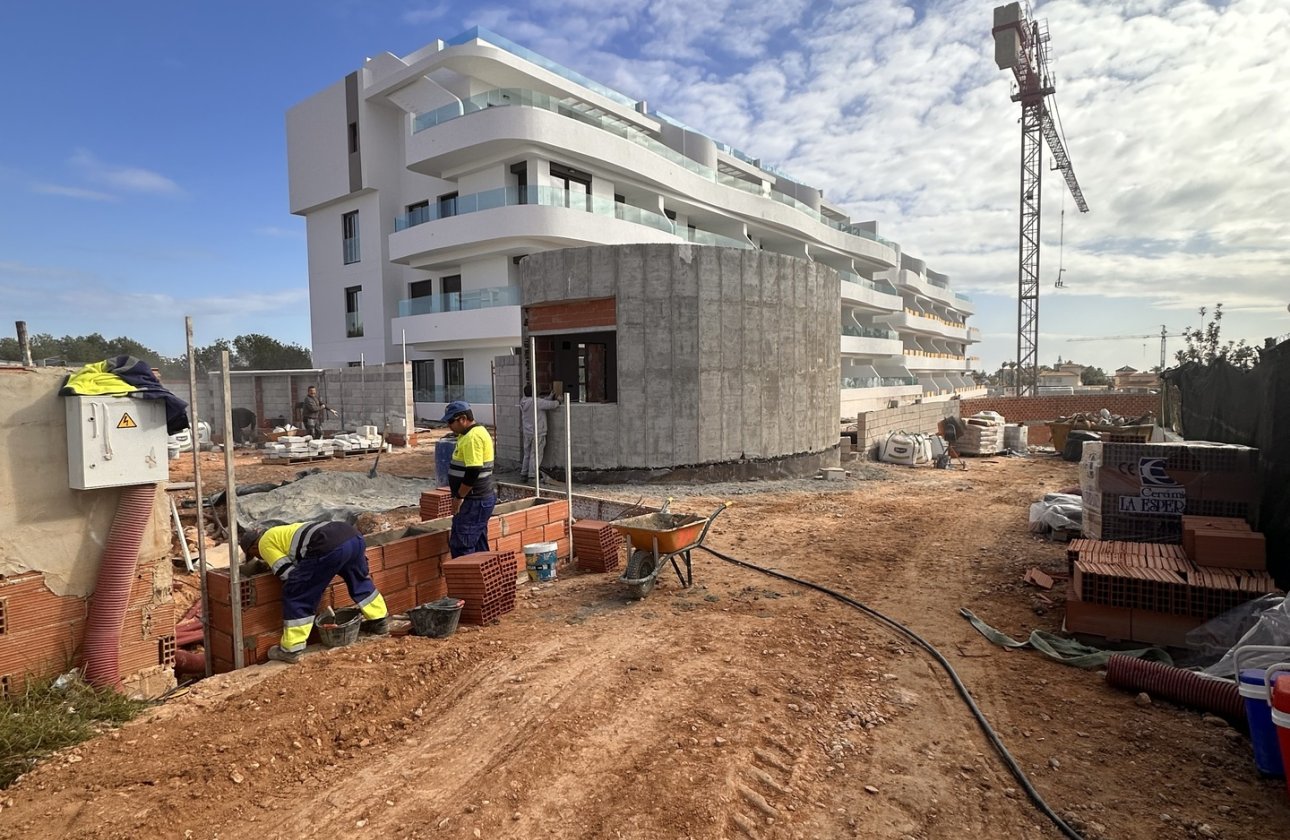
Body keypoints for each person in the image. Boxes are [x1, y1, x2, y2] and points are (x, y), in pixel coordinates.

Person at [239, 520, 388, 663]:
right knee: (359, 580)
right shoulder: (280, 532)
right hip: (353, 537)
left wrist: (309, 585)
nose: (259, 558)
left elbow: (288, 574)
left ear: (253, 547)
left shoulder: (264, 543)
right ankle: (379, 622)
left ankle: (291, 649)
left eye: (255, 555)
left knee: (296, 592)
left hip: (329, 545)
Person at [441, 400, 496, 557]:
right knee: (478, 544)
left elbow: (473, 471)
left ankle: (466, 581)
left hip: (474, 501)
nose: (448, 426)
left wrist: (459, 497)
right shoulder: (468, 434)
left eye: (450, 421)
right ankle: (483, 579)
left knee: (462, 546)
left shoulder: (472, 437)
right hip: (477, 500)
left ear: (462, 419)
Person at [519, 385, 561, 480]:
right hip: (538, 432)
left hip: (527, 432)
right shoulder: (537, 402)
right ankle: (532, 475)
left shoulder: (523, 401)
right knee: (536, 454)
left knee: (527, 454)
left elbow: (543, 402)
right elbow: (551, 405)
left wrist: (550, 397)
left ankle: (524, 473)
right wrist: (558, 401)